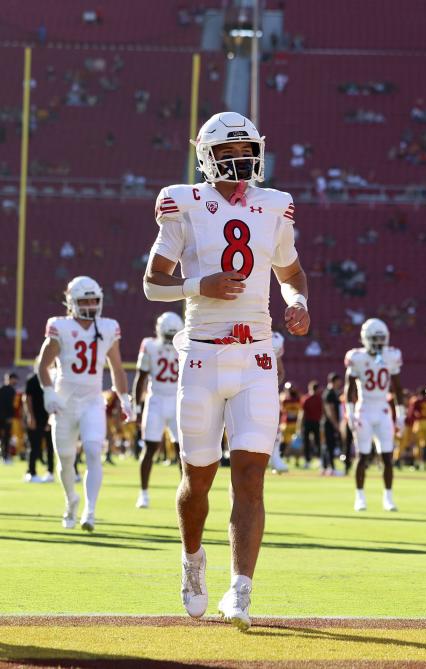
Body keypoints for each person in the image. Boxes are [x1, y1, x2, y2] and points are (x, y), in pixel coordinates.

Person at [142, 111, 309, 631]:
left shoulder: (275, 206)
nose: (240, 162)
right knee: (198, 477)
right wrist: (199, 285)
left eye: (245, 152)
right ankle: (193, 561)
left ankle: (241, 588)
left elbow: (291, 271)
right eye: (229, 153)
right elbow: (152, 283)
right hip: (201, 352)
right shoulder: (184, 202)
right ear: (207, 157)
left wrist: (298, 298)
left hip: (258, 355)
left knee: (251, 478)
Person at [36, 276, 132, 531]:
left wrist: (124, 397)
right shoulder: (60, 326)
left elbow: (117, 368)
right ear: (72, 301)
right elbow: (42, 365)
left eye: (94, 299)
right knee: (65, 459)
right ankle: (71, 501)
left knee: (92, 452)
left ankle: (90, 511)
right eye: (84, 299)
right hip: (64, 401)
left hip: (92, 400)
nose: (90, 304)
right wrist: (48, 391)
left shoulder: (108, 327)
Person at [345, 318, 404, 511]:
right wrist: (350, 412)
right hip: (365, 409)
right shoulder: (357, 357)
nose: (378, 342)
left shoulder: (391, 355)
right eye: (374, 338)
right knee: (363, 455)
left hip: (383, 409)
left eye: (381, 338)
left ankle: (388, 497)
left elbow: (397, 388)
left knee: (387, 456)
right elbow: (349, 387)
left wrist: (401, 415)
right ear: (366, 338)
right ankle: (359, 497)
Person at [133, 312, 183, 508]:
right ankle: (143, 493)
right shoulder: (151, 345)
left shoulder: (152, 345)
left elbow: (140, 378)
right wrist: (137, 406)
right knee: (151, 448)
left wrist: (137, 406)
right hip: (159, 400)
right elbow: (141, 377)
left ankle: (184, 491)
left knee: (182, 451)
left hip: (174, 399)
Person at [22, 372, 54, 483]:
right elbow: (27, 398)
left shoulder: (52, 379)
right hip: (36, 418)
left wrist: (51, 417)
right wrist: (31, 417)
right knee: (34, 447)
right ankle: (31, 472)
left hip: (48, 418)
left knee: (50, 446)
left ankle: (50, 472)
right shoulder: (32, 380)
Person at [268, 331, 291, 474]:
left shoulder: (274, 339)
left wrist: (271, 386)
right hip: (239, 388)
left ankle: (275, 457)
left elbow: (280, 371)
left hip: (264, 391)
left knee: (273, 426)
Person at [300, 380, 325, 472]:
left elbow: (302, 413)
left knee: (309, 442)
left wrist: (300, 425)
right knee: (316, 442)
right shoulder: (318, 398)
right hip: (315, 422)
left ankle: (308, 461)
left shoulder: (306, 398)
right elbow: (323, 411)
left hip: (309, 422)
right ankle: (318, 460)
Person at [322, 373, 345, 473]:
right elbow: (329, 410)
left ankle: (326, 467)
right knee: (329, 445)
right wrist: (336, 424)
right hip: (329, 423)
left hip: (332, 423)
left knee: (329, 445)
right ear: (334, 381)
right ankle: (331, 468)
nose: (340, 383)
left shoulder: (335, 393)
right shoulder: (329, 393)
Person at [0, 372, 18, 464]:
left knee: (5, 438)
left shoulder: (2, 389)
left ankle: (4, 456)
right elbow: (9, 406)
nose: (16, 381)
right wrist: (9, 416)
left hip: (3, 417)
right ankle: (5, 457)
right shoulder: (10, 390)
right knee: (6, 438)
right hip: (6, 418)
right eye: (15, 379)